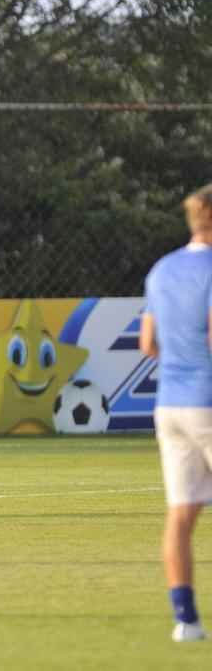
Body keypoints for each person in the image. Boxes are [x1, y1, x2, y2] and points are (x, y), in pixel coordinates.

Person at [140, 183, 212, 642]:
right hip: (209, 400)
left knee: (181, 516)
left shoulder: (161, 269)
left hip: (170, 404)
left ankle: (186, 621)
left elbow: (148, 343)